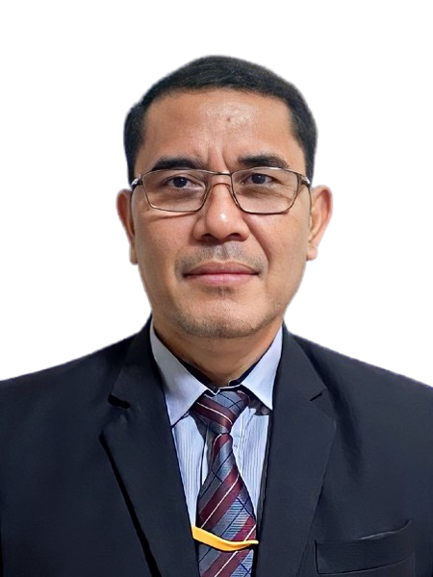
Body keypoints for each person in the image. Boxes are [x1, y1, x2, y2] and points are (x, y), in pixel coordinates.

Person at [0, 56, 432, 577]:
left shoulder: (419, 433)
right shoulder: (11, 438)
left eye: (260, 180)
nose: (221, 221)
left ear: (314, 222)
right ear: (131, 224)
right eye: (180, 183)